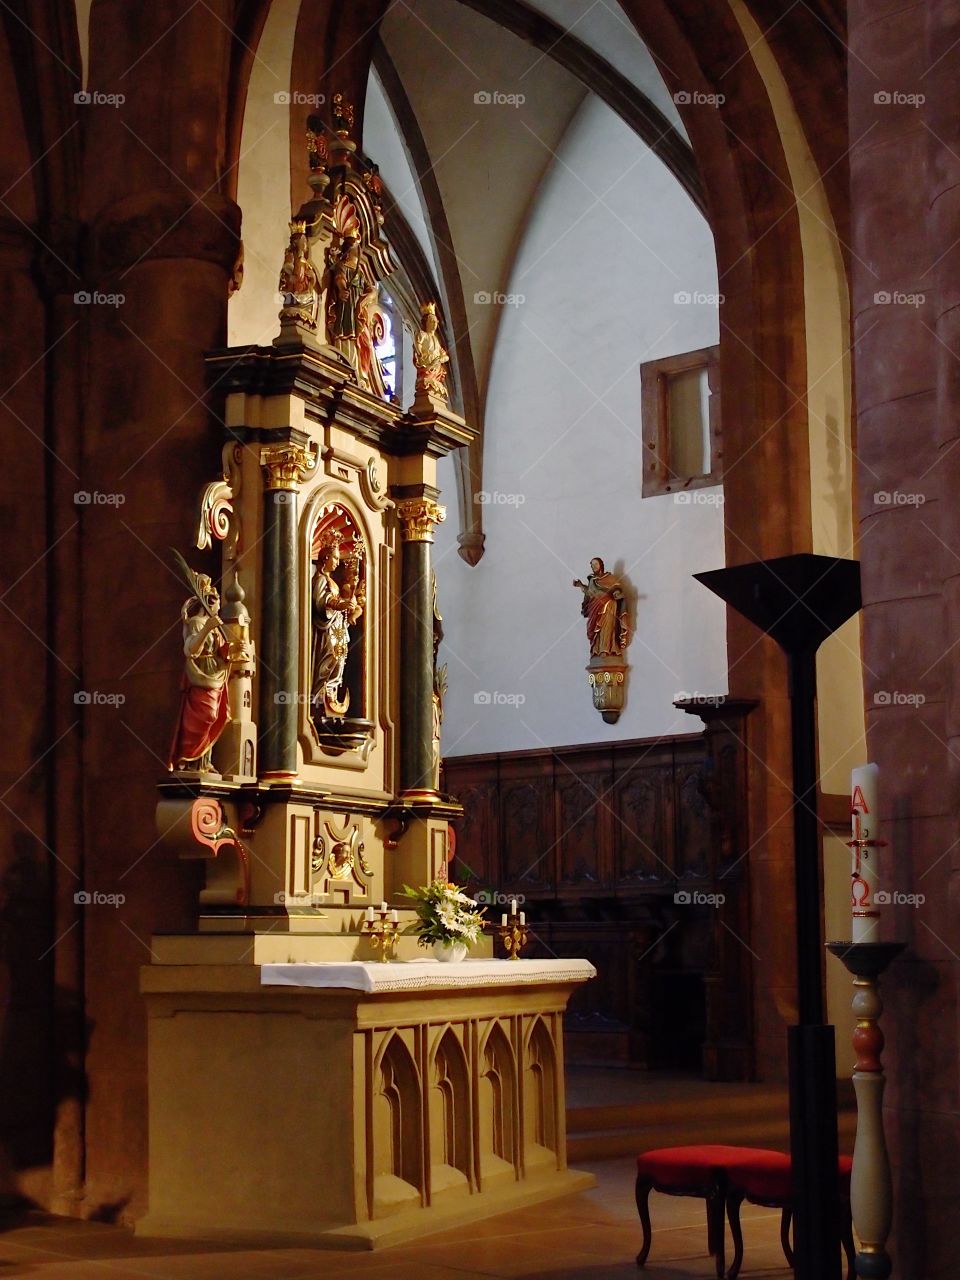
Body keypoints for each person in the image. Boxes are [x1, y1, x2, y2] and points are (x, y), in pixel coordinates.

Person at [168, 577, 230, 771]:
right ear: (209, 603)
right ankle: (187, 757)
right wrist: (207, 628)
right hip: (200, 674)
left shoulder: (215, 625)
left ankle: (203, 761)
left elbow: (221, 650)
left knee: (215, 716)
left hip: (216, 674)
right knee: (205, 716)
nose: (220, 606)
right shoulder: (198, 622)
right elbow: (191, 650)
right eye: (218, 602)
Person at [573, 558, 629, 657]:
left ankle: (605, 649)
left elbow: (617, 589)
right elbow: (590, 593)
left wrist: (617, 593)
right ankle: (596, 650)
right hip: (594, 607)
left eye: (596, 564)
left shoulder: (610, 578)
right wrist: (581, 585)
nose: (593, 566)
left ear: (601, 565)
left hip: (608, 605)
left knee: (605, 627)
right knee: (595, 630)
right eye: (592, 565)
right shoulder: (592, 580)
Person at [413, 301, 449, 400]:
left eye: (436, 321)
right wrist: (420, 353)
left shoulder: (436, 340)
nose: (435, 323)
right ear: (426, 323)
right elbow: (417, 345)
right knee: (425, 381)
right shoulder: (422, 334)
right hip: (427, 363)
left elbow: (443, 354)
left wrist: (442, 358)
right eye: (431, 321)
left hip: (436, 365)